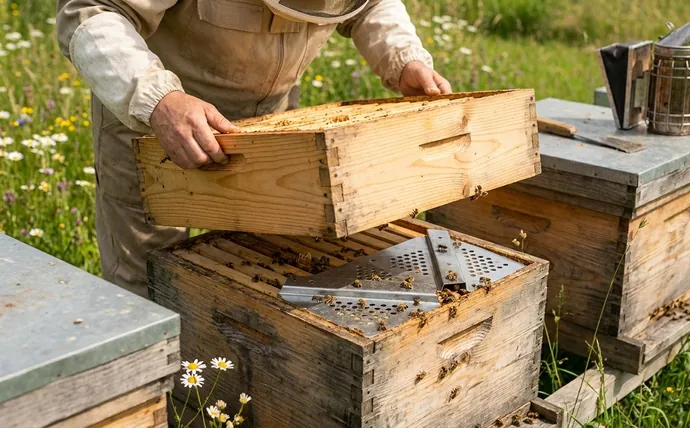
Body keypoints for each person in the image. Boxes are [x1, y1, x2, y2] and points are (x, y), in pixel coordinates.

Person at [55, 0, 452, 297]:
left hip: (274, 130)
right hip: (157, 120)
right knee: (145, 279)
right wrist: (158, 100)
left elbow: (370, 5)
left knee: (271, 268)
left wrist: (403, 59)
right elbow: (92, 11)